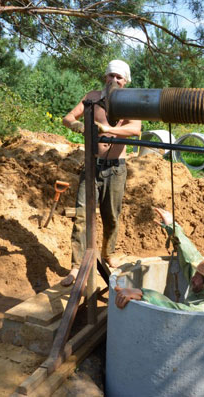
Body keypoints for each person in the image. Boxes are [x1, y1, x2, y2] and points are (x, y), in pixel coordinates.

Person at [61, 60, 142, 286]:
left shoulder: (131, 102)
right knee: (81, 215)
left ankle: (109, 253)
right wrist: (76, 125)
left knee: (111, 215)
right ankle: (77, 267)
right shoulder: (92, 97)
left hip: (116, 168)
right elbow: (68, 117)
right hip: (92, 165)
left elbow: (135, 130)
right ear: (105, 77)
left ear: (126, 81)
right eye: (111, 76)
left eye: (119, 77)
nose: (114, 80)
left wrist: (108, 129)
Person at [114, 208, 204, 312]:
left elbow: (181, 310)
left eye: (197, 276)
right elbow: (191, 257)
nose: (192, 278)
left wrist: (143, 294)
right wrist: (172, 227)